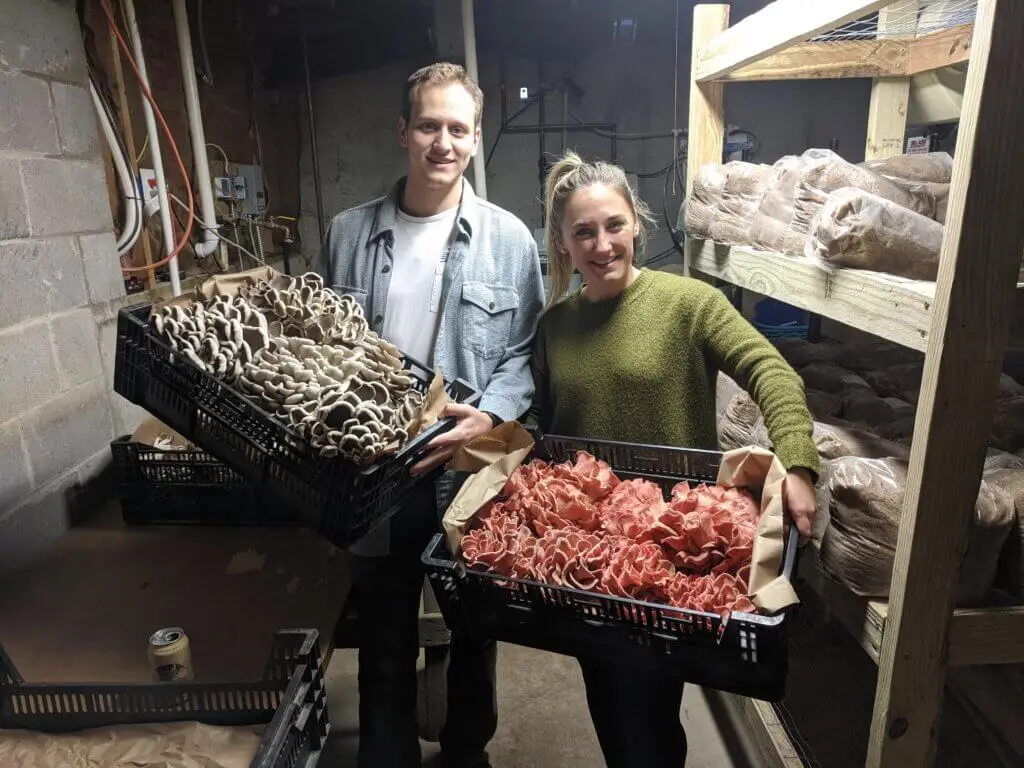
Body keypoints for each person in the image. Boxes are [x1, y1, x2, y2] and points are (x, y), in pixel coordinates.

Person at [530, 151, 819, 768]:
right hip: (589, 553)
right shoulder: (554, 325)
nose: (602, 244)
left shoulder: (690, 305)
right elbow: (546, 426)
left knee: (653, 710)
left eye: (613, 225)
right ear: (562, 242)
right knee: (606, 696)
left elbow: (772, 370)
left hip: (675, 550)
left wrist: (796, 463)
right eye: (583, 232)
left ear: (637, 222)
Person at [318, 62, 545, 768]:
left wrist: (493, 415)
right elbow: (322, 345)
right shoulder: (348, 234)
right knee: (383, 636)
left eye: (456, 128)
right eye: (427, 125)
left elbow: (527, 354)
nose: (441, 142)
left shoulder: (510, 241)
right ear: (403, 132)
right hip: (373, 473)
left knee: (473, 633)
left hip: (463, 475)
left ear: (475, 138)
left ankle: (463, 754)